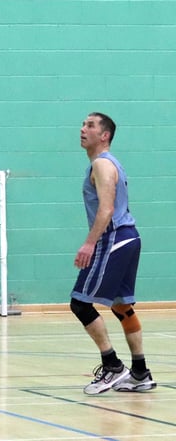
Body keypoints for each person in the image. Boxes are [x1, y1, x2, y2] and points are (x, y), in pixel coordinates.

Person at [71, 112, 156, 395]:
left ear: (104, 135)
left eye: (90, 125)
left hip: (114, 239)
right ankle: (140, 373)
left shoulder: (102, 164)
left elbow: (106, 210)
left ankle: (113, 367)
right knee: (121, 307)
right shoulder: (105, 164)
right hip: (129, 238)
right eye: (84, 124)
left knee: (80, 304)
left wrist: (89, 243)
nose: (83, 129)